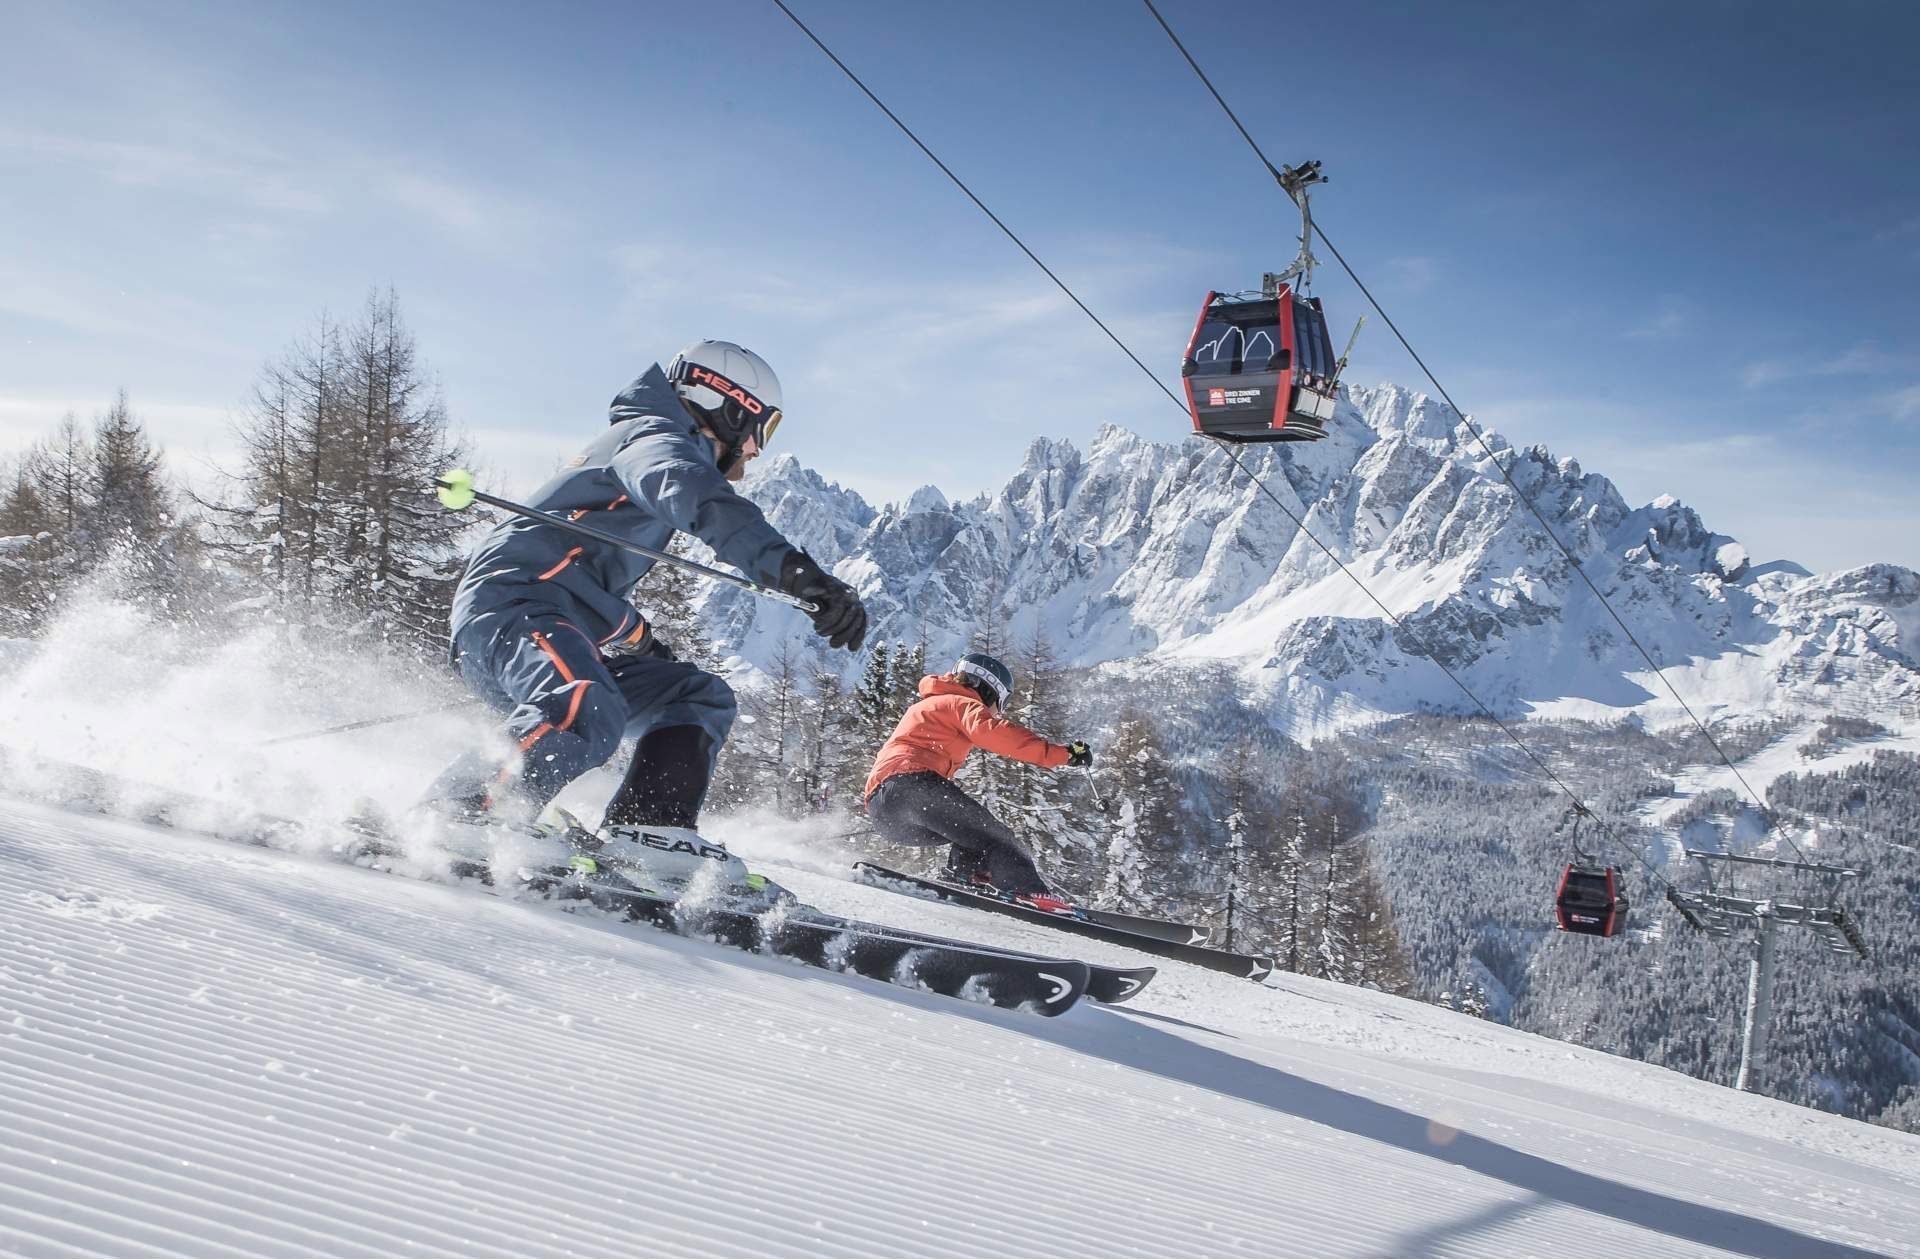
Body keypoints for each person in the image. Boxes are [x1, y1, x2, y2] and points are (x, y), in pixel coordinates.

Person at [424, 340, 866, 887]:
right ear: (727, 406)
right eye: (762, 427)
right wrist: (796, 572)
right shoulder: (653, 440)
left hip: (552, 617)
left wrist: (642, 641)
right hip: (511, 610)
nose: (756, 449)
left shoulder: (650, 445)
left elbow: (582, 579)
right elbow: (699, 500)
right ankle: (461, 810)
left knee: (695, 695)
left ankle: (649, 829)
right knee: (583, 700)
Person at [862, 652, 1092, 902]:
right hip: (912, 786)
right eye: (999, 705)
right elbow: (996, 733)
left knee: (971, 836)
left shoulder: (929, 704)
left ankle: (963, 879)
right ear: (988, 690)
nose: (995, 713)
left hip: (884, 808)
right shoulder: (959, 703)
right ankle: (1029, 893)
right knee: (998, 838)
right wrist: (1063, 755)